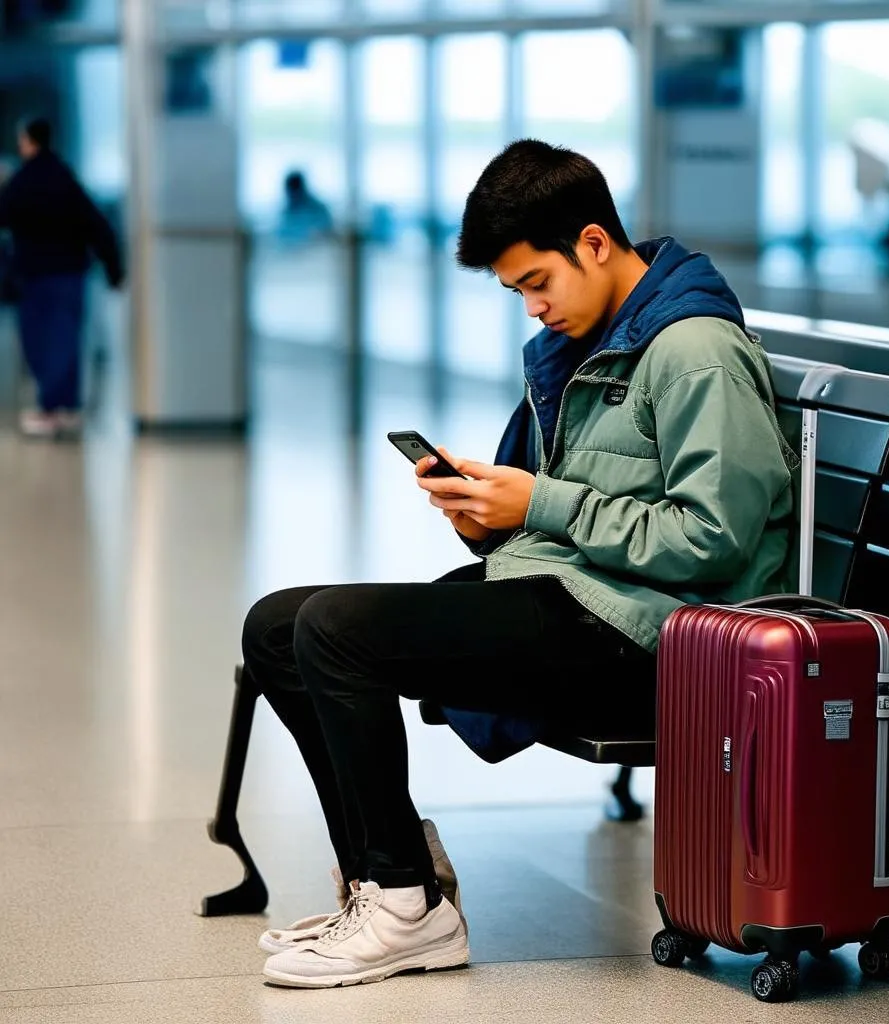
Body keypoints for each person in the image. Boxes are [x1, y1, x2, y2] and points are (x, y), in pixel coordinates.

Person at [242, 140, 799, 991]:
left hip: (658, 639)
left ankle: (404, 910)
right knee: (278, 625)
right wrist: (487, 517)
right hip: (580, 600)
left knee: (335, 631)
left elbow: (714, 542)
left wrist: (537, 504)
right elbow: (576, 513)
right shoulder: (594, 341)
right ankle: (385, 881)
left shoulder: (693, 354)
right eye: (516, 294)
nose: (533, 309)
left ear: (596, 244)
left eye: (537, 283)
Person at [0, 116, 123, 438]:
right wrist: (114, 267)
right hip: (70, 273)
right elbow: (96, 224)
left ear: (27, 141)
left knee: (39, 341)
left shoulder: (20, 182)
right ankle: (65, 407)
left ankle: (50, 407)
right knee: (65, 339)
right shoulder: (66, 179)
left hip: (34, 274)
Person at [277, 169, 333, 244]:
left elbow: (326, 232)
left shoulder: (318, 209)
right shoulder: (287, 211)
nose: (292, 195)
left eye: (294, 191)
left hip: (317, 251)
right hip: (292, 252)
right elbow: (281, 235)